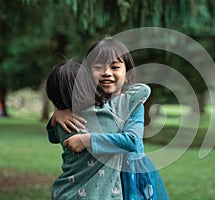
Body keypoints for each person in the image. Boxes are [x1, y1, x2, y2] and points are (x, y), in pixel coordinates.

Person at [47, 38, 169, 200]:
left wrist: (87, 140)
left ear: (127, 73)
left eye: (115, 67)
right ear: (87, 76)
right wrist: (57, 115)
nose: (107, 72)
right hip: (106, 175)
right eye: (98, 67)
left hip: (131, 171)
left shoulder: (132, 104)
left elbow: (132, 140)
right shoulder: (89, 108)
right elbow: (54, 136)